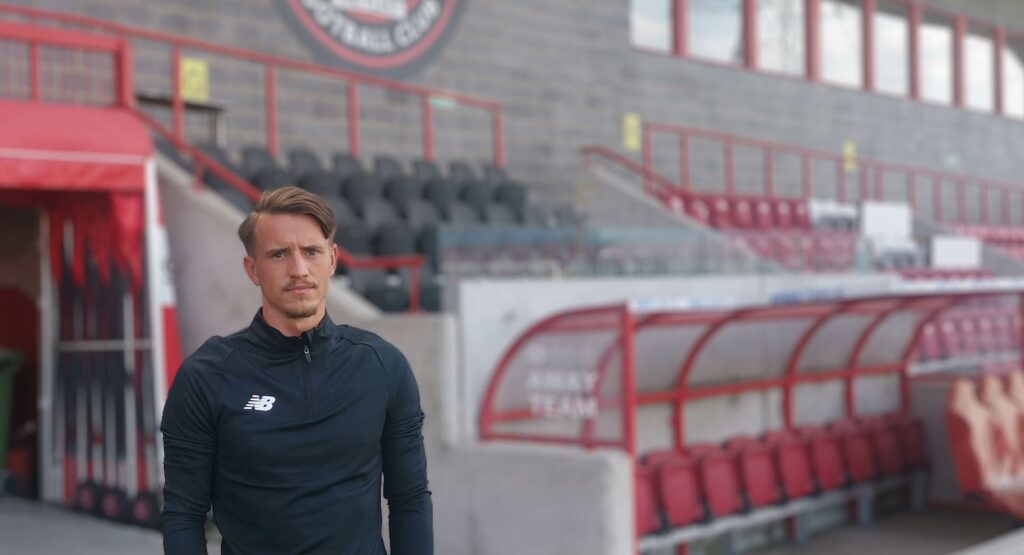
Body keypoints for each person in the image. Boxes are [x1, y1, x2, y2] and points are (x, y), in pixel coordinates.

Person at [160, 186, 432, 554]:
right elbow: (183, 514)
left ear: (332, 260)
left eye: (311, 251)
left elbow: (409, 498)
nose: (299, 270)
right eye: (279, 254)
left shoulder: (382, 365)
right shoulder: (206, 376)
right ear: (253, 270)